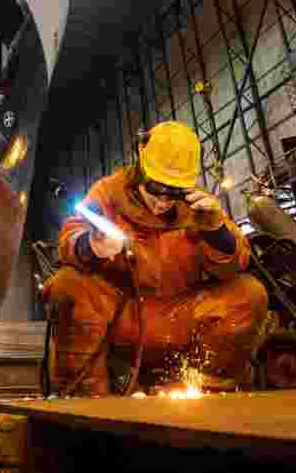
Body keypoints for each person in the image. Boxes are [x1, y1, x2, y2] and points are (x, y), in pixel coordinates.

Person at [42, 121, 268, 396]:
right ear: (141, 169)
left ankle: (200, 387)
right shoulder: (108, 193)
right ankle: (87, 398)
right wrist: (91, 247)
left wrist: (216, 230)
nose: (163, 201)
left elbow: (236, 264)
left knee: (249, 293)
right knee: (68, 285)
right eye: (155, 188)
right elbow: (70, 239)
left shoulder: (200, 207)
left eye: (173, 193)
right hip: (122, 316)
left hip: (179, 314)